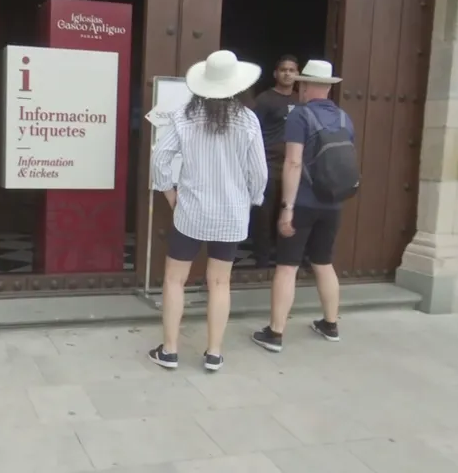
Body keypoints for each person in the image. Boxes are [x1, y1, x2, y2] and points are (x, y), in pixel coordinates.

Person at [148, 50, 268, 371]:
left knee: (175, 280)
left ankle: (170, 350)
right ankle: (214, 352)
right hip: (231, 215)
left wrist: (170, 194)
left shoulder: (183, 117)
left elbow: (160, 159)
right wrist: (252, 199)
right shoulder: (249, 120)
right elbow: (259, 173)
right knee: (220, 283)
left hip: (190, 213)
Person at [251, 60, 357, 353]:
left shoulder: (300, 116)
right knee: (324, 262)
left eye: (302, 83)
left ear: (308, 85)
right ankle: (330, 324)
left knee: (286, 267)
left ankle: (275, 332)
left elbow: (294, 161)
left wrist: (287, 207)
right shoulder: (343, 118)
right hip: (333, 203)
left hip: (305, 202)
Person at [250, 55, 299, 267]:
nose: (287, 73)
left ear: (298, 74)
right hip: (267, 165)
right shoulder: (264, 99)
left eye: (292, 70)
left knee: (287, 213)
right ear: (275, 73)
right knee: (263, 215)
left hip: (292, 166)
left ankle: (284, 259)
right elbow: (252, 129)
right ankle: (261, 260)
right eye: (283, 69)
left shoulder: (300, 100)